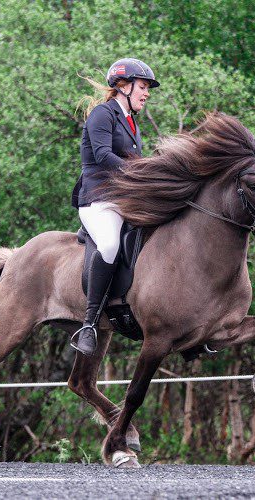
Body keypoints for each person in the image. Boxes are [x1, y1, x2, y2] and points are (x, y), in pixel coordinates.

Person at [69, 58, 160, 356]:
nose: (146, 94)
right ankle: (90, 323)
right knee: (108, 245)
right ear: (124, 85)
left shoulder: (132, 123)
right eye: (144, 87)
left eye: (147, 89)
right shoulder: (102, 114)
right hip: (97, 199)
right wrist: (141, 176)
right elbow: (104, 155)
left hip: (122, 199)